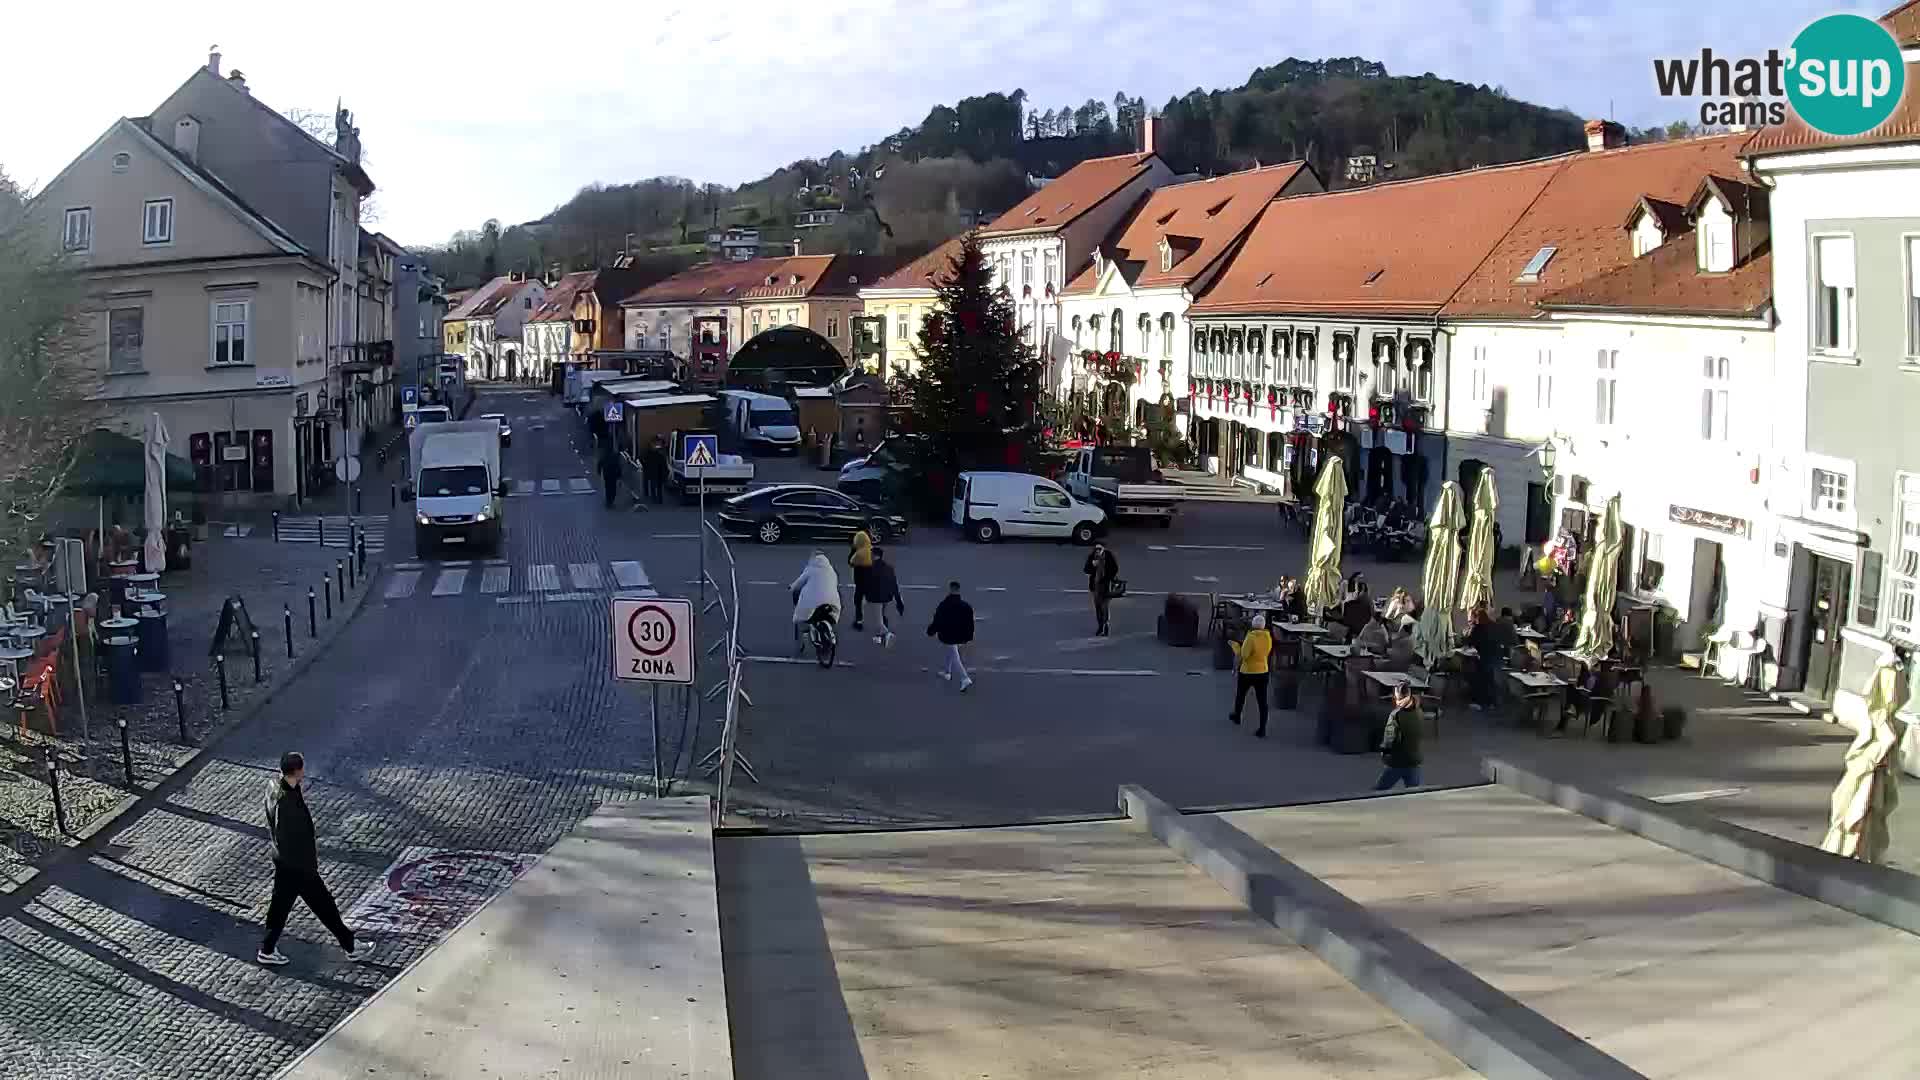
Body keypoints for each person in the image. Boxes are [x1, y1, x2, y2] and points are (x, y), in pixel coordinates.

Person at [258, 752, 375, 966]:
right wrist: (306, 867)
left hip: (285, 864)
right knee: (325, 906)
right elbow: (288, 836)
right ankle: (350, 946)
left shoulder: (275, 786)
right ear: (298, 771)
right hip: (298, 867)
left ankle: (267, 949)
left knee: (279, 908)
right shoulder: (287, 802)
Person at [1228, 614, 1274, 737]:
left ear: (1253, 625)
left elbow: (1244, 655)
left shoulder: (1251, 637)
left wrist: (1235, 647)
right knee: (1262, 701)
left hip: (1248, 671)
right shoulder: (1268, 637)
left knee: (1241, 695)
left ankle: (1237, 716)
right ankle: (1262, 728)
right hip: (1263, 671)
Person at [926, 581, 975, 692]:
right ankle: (947, 672)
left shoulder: (944, 605)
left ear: (950, 589)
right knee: (951, 651)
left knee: (954, 656)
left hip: (947, 635)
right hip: (961, 636)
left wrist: (931, 631)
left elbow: (937, 620)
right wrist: (969, 637)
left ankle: (964, 678)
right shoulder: (966, 606)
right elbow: (970, 624)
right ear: (958, 590)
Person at [1374, 682, 1425, 789]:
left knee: (1379, 790)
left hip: (1398, 760)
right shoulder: (1419, 711)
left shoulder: (1396, 715)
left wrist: (1384, 753)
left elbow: (1390, 739)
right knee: (1414, 792)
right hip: (1414, 758)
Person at [790, 551, 841, 648]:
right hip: (832, 600)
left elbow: (799, 583)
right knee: (831, 614)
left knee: (802, 616)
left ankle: (802, 639)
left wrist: (792, 587)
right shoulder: (831, 570)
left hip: (813, 601)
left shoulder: (811, 569)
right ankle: (828, 632)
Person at [1465, 606, 1506, 710]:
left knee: (1476, 674)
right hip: (1498, 657)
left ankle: (1480, 702)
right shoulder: (1494, 625)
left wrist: (1470, 630)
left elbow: (1469, 642)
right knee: (1490, 679)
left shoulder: (1478, 628)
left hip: (1485, 658)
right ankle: (1492, 702)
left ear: (1476, 618)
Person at [864, 546, 905, 647]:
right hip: (887, 597)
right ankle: (879, 637)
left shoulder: (870, 568)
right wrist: (899, 602)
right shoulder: (889, 568)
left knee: (877, 620)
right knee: (882, 615)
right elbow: (894, 585)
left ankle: (887, 634)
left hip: (875, 598)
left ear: (873, 555)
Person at [1083, 541, 1120, 636]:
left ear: (1103, 549)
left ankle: (1105, 625)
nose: (1098, 551)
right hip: (1095, 587)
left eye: (1100, 549)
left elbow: (1115, 569)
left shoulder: (1109, 555)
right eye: (1096, 549)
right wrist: (1093, 566)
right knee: (1098, 607)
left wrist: (1106, 577)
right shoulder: (1092, 557)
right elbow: (1086, 570)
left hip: (1106, 586)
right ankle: (1100, 626)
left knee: (1105, 606)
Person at [847, 526, 875, 632]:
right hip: (871, 581)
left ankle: (859, 621)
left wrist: (853, 549)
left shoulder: (857, 553)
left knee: (858, 600)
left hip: (859, 582)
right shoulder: (871, 551)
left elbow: (850, 562)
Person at [641, 436, 669, 504]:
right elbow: (664, 464)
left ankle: (655, 499)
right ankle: (659, 500)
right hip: (658, 472)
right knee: (658, 487)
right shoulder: (660, 455)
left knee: (654, 486)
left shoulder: (649, 454)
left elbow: (643, 460)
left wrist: (645, 467)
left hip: (653, 472)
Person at [598, 439, 622, 510]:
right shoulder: (615, 455)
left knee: (608, 487)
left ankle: (609, 500)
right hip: (613, 474)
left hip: (607, 473)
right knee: (613, 488)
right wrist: (619, 474)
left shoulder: (604, 455)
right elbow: (618, 465)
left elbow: (600, 464)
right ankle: (611, 500)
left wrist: (599, 472)